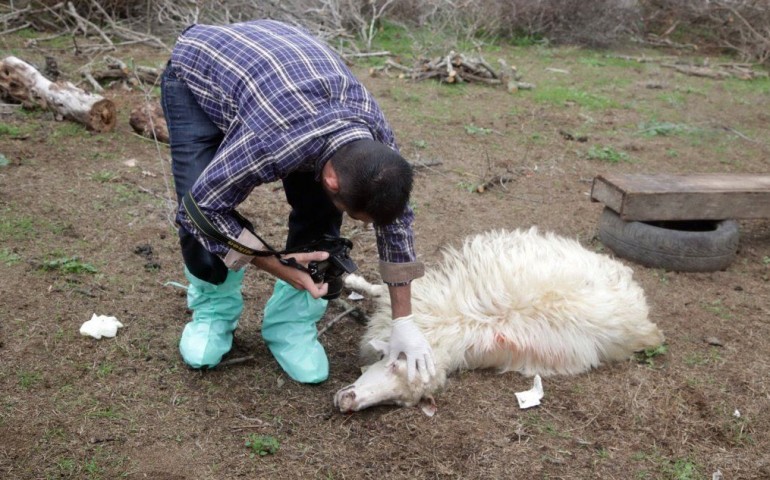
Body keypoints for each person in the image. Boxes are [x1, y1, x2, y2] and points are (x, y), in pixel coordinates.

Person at [160, 19, 436, 384]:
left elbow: (395, 223)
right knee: (198, 194)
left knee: (321, 209)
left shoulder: (376, 143)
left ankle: (290, 322)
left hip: (285, 76)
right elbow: (201, 210)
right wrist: (277, 265)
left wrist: (403, 321)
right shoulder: (271, 141)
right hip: (198, 74)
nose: (365, 225)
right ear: (332, 178)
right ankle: (213, 309)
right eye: (359, 217)